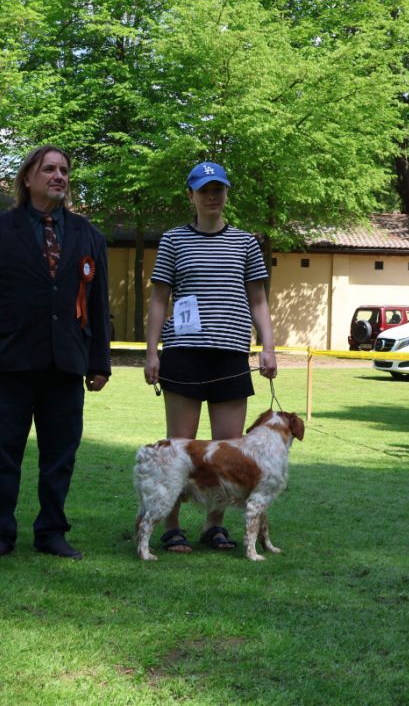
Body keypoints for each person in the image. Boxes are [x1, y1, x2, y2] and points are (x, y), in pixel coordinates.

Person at [0, 145, 112, 562]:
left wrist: (99, 361)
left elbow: (98, 302)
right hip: (9, 362)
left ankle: (51, 531)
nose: (59, 176)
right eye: (49, 169)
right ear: (27, 178)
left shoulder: (88, 236)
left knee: (60, 456)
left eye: (64, 170)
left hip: (66, 362)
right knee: (4, 454)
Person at [143, 161, 277, 554]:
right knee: (179, 448)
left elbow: (258, 300)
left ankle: (214, 525)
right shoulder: (173, 241)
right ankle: (171, 526)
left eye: (218, 189)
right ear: (191, 196)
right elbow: (159, 299)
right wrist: (152, 352)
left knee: (227, 450)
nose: (212, 196)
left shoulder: (246, 243)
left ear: (226, 193)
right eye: (204, 190)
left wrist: (268, 346)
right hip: (183, 355)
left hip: (231, 356)